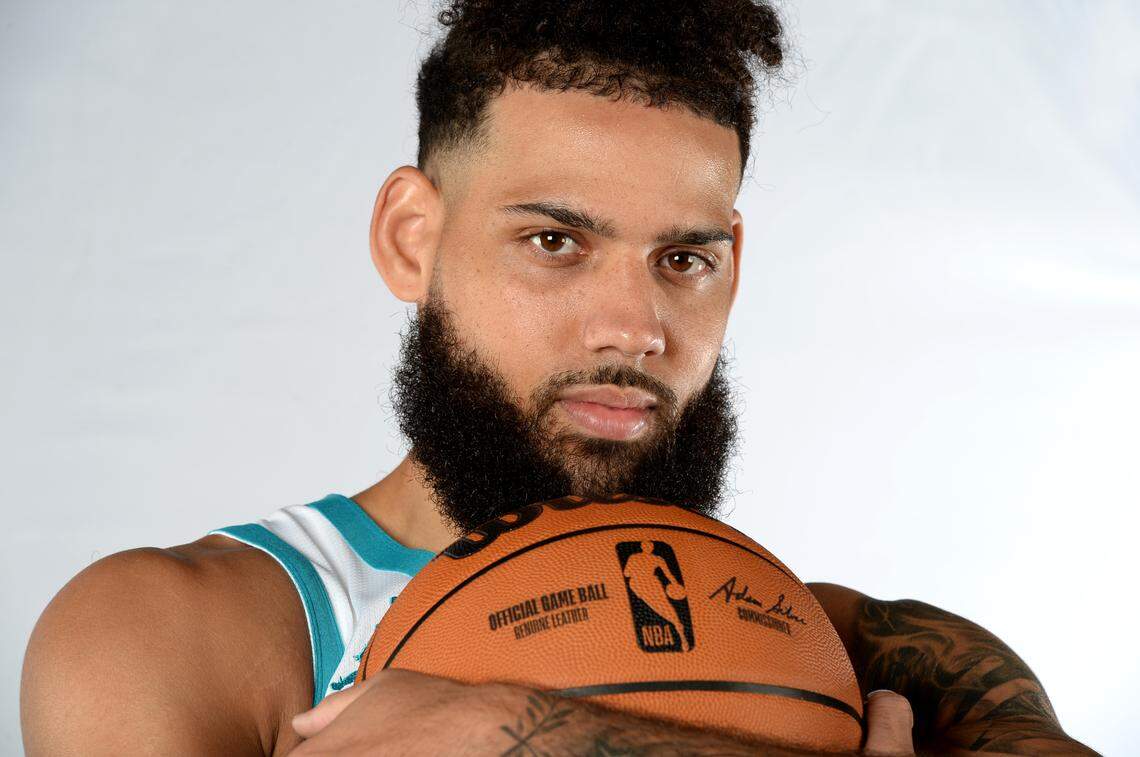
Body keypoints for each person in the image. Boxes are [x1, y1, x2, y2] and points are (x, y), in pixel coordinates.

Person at [20, 1, 1097, 755]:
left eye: (684, 259)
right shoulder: (185, 635)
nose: (634, 327)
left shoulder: (840, 643)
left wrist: (506, 735)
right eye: (555, 242)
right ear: (410, 239)